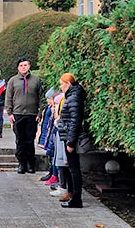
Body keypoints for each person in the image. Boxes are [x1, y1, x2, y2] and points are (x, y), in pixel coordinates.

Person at [5, 56, 44, 174]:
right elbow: (8, 97)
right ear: (18, 67)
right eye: (21, 65)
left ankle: (30, 163)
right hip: (18, 114)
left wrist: (39, 112)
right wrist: (9, 112)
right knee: (20, 140)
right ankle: (21, 163)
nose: (23, 67)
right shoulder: (13, 81)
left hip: (32, 114)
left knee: (30, 140)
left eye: (25, 65)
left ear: (29, 66)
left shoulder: (36, 80)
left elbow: (41, 97)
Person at [57, 73, 87, 209]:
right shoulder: (72, 95)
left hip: (71, 137)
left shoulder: (74, 97)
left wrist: (70, 142)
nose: (61, 87)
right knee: (71, 168)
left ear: (68, 84)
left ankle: (76, 199)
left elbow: (75, 121)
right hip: (68, 135)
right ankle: (73, 196)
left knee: (74, 169)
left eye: (62, 84)